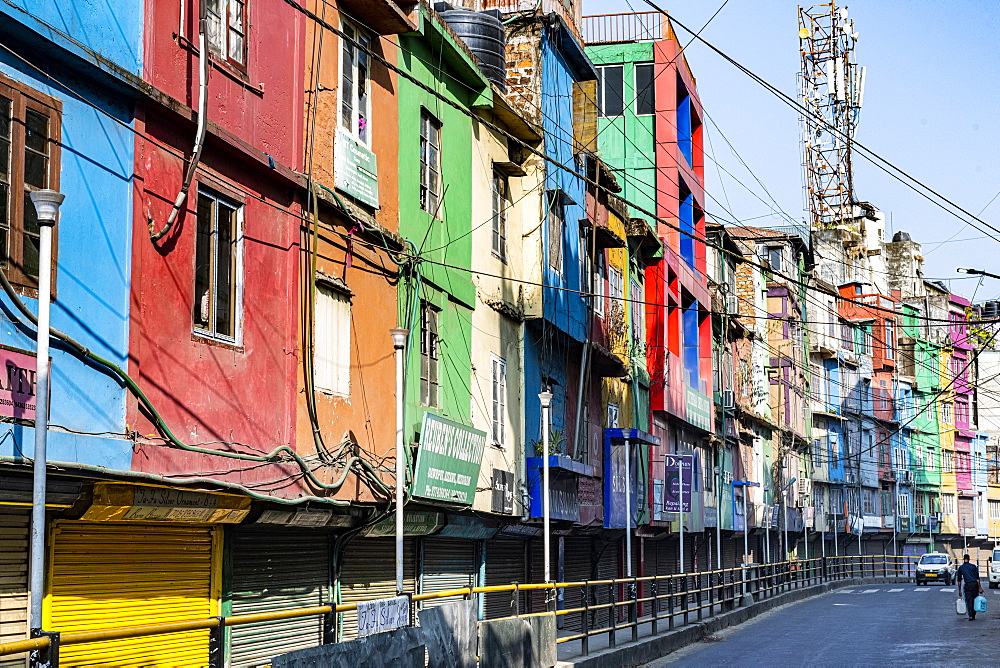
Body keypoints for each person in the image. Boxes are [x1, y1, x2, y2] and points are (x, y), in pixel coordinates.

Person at [955, 554, 984, 621]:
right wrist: (979, 587)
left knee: (969, 600)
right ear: (969, 559)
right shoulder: (973, 567)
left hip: (968, 585)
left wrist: (959, 590)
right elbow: (977, 578)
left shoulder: (961, 568)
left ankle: (970, 615)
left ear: (963, 559)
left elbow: (959, 580)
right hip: (975, 585)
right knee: (975, 599)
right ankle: (973, 614)